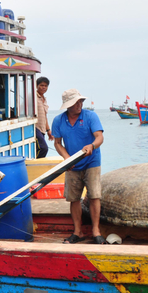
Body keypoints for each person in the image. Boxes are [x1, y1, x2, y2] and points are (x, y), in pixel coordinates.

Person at [51, 89, 105, 244]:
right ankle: (77, 231)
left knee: (94, 195)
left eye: (81, 101)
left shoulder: (90, 116)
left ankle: (96, 231)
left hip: (91, 161)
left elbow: (99, 136)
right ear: (68, 105)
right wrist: (67, 158)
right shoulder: (58, 121)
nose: (79, 105)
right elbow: (57, 143)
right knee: (73, 198)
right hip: (72, 165)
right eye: (75, 102)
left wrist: (92, 146)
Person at [35, 77, 53, 158]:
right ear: (37, 86)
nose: (44, 87)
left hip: (42, 129)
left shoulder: (44, 99)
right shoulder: (33, 97)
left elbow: (44, 116)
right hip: (35, 128)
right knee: (43, 148)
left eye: (46, 86)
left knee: (37, 149)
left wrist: (48, 130)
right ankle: (36, 167)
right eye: (41, 85)